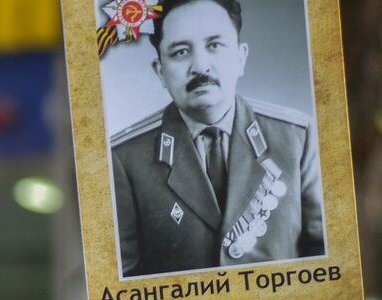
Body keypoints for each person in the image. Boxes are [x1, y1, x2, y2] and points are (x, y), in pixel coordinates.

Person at [110, 0, 324, 277]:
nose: (200, 66)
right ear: (161, 71)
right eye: (181, 52)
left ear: (240, 58)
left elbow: (323, 256)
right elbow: (122, 283)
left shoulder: (296, 139)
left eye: (214, 45)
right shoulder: (125, 160)